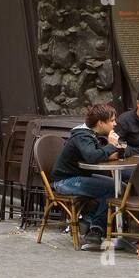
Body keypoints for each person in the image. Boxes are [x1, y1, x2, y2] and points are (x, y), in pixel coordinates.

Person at [50, 104, 129, 252]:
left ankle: (91, 223)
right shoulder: (82, 136)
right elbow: (93, 157)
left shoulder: (91, 135)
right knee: (112, 188)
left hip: (79, 177)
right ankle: (95, 230)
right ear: (101, 123)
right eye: (112, 120)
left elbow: (99, 155)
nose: (115, 124)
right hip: (65, 181)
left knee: (120, 187)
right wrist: (111, 145)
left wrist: (112, 150)